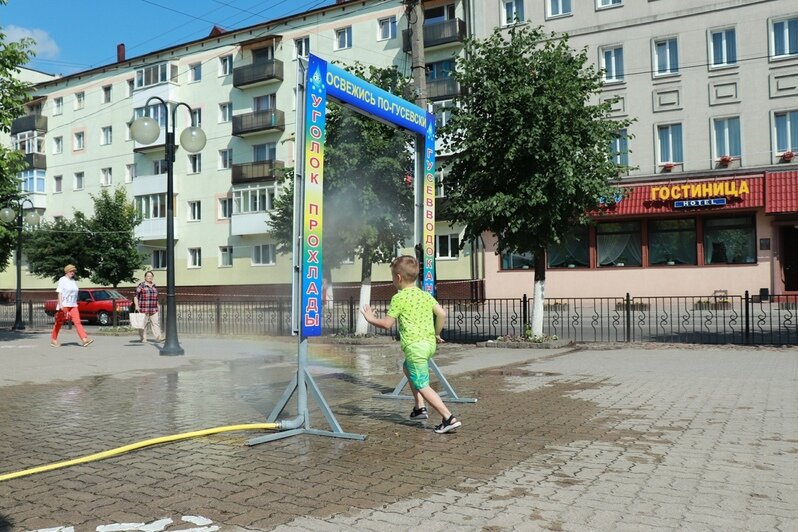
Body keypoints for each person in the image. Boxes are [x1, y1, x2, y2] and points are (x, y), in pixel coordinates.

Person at [361, 255, 462, 434]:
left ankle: (448, 418)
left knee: (422, 383)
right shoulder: (425, 295)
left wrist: (369, 318)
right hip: (429, 344)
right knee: (407, 368)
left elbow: (387, 324)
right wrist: (437, 333)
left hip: (415, 348)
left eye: (393, 277)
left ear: (398, 278)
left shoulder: (399, 298)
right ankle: (419, 408)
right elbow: (442, 314)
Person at [50, 264, 94, 348]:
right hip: (64, 304)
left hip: (73, 305)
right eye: (71, 271)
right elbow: (60, 292)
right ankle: (53, 340)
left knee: (77, 322)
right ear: (67, 271)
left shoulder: (73, 281)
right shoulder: (62, 279)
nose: (72, 273)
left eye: (73, 271)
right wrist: (61, 305)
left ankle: (85, 340)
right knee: (59, 322)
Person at [133, 270, 163, 342]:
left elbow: (156, 297)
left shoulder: (154, 286)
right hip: (143, 308)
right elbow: (135, 296)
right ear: (145, 277)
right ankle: (143, 338)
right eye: (148, 276)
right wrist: (137, 306)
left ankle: (158, 337)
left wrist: (158, 305)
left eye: (151, 276)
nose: (150, 277)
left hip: (153, 309)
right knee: (143, 324)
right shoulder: (141, 285)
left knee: (155, 323)